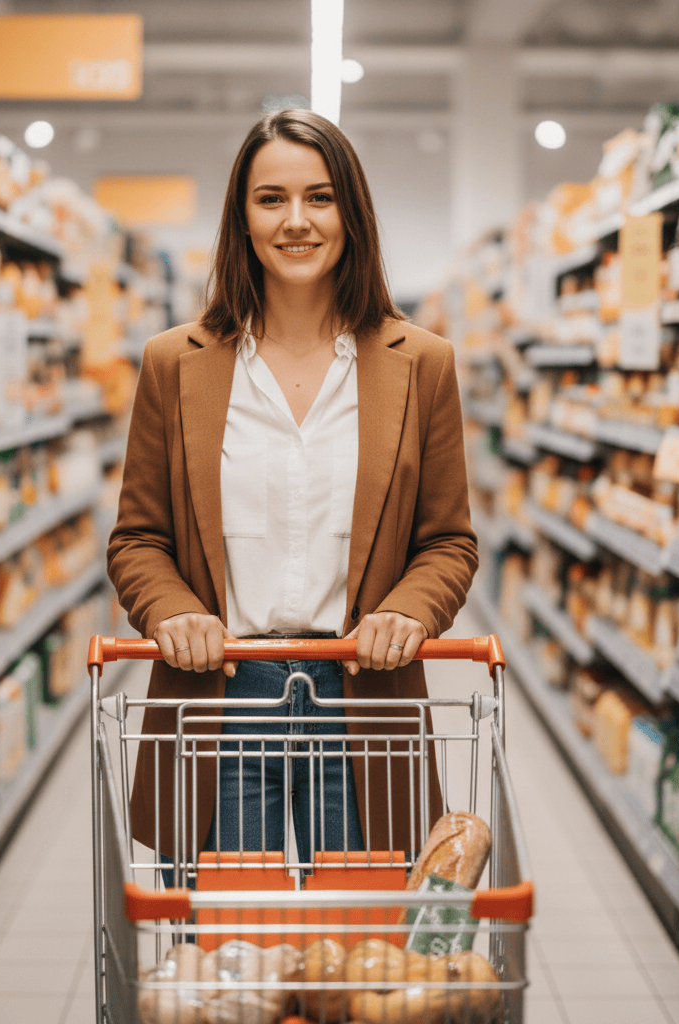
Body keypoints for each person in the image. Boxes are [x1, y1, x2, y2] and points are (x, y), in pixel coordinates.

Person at [107, 108, 478, 885]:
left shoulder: (423, 364)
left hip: (366, 703)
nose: (296, 221)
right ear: (241, 219)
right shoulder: (174, 364)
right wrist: (172, 610)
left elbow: (448, 541)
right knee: (231, 942)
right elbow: (138, 539)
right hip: (219, 701)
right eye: (271, 199)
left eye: (320, 197)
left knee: (356, 937)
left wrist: (409, 610)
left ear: (352, 213)